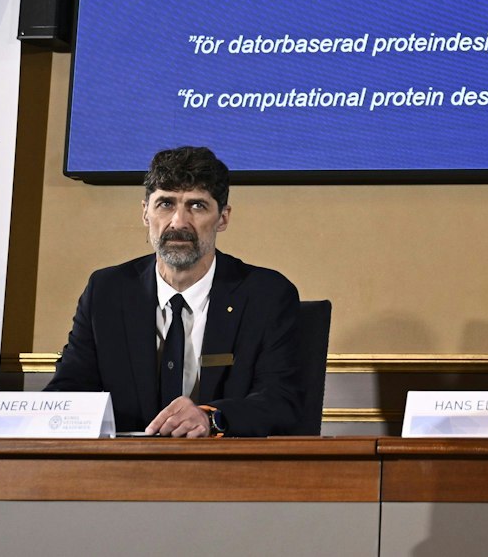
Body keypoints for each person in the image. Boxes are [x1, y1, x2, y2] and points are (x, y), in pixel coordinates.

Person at [46, 146, 304, 436]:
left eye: (197, 206)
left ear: (223, 218)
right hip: (124, 471)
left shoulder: (266, 295)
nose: (179, 222)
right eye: (166, 204)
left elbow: (282, 402)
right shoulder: (107, 291)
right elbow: (69, 391)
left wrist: (210, 418)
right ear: (145, 213)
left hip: (226, 469)